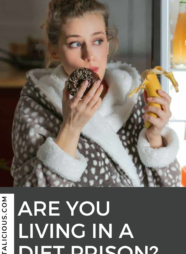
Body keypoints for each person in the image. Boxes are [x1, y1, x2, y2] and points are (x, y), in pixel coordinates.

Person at [11, 0, 181, 187]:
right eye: (75, 43)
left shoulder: (132, 95)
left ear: (108, 44)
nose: (89, 55)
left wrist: (155, 137)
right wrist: (71, 128)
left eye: (98, 41)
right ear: (54, 50)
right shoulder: (36, 105)